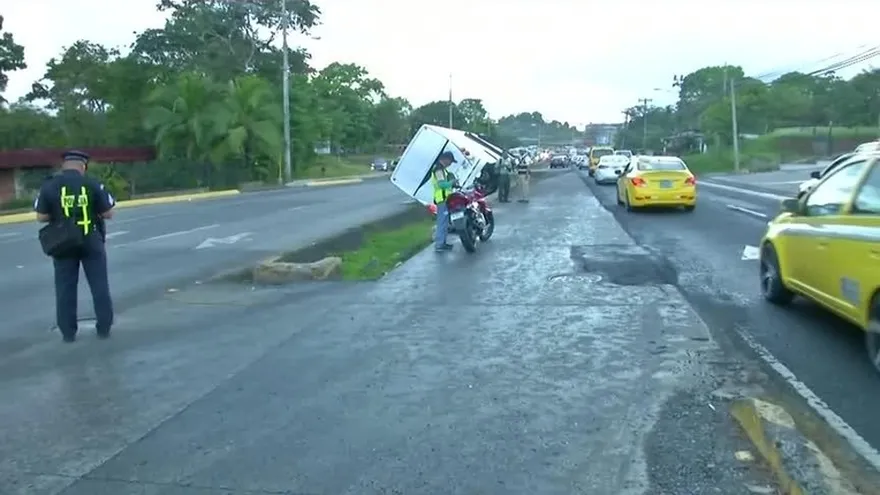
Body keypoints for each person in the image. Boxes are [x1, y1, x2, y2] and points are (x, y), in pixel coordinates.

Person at [35, 150, 116, 342]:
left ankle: (68, 332)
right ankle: (104, 327)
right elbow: (109, 213)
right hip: (91, 240)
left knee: (65, 288)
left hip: (63, 242)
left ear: (64, 165)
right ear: (83, 166)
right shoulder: (93, 184)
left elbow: (41, 217)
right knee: (99, 285)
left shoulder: (50, 185)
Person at [431, 150, 456, 252]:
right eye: (450, 162)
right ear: (445, 159)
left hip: (445, 198)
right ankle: (439, 244)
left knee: (445, 222)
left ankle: (443, 243)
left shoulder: (443, 170)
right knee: (442, 222)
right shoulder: (439, 170)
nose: (450, 164)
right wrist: (451, 182)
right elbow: (442, 184)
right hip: (442, 199)